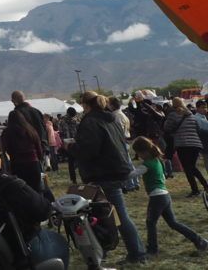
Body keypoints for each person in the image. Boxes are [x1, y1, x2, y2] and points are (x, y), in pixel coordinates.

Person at [0, 134, 69, 268]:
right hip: (17, 250)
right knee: (60, 243)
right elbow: (43, 211)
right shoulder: (8, 184)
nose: (1, 158)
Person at [76, 91, 147, 264]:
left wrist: (72, 149)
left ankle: (137, 254)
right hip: (115, 170)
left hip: (103, 172)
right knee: (106, 215)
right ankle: (107, 252)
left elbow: (90, 150)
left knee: (117, 216)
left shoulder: (91, 122)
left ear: (85, 104)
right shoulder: (111, 118)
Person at [132, 135, 208, 256]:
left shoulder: (147, 164)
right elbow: (162, 177)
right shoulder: (158, 161)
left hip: (156, 197)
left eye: (138, 153)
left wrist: (121, 171)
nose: (139, 156)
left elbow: (132, 174)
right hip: (165, 195)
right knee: (173, 223)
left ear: (144, 152)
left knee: (150, 223)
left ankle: (152, 249)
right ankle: (200, 241)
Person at [163, 97, 208, 198]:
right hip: (196, 144)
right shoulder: (191, 115)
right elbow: (198, 128)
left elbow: (167, 128)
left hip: (183, 144)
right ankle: (205, 185)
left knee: (188, 168)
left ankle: (195, 190)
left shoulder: (173, 114)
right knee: (192, 167)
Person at [2, 108, 46, 193]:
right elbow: (39, 148)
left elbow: (4, 149)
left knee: (22, 193)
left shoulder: (7, 133)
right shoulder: (31, 130)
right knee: (37, 192)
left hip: (17, 165)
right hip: (34, 164)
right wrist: (39, 159)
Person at [10, 91, 49, 168]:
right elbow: (43, 129)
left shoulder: (16, 114)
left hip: (26, 152)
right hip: (41, 146)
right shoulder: (36, 111)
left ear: (13, 101)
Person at [58, 107, 81, 184]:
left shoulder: (61, 121)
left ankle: (73, 179)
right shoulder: (75, 121)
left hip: (67, 144)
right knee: (79, 160)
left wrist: (63, 141)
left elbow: (60, 133)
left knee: (70, 162)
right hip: (76, 143)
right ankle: (82, 177)